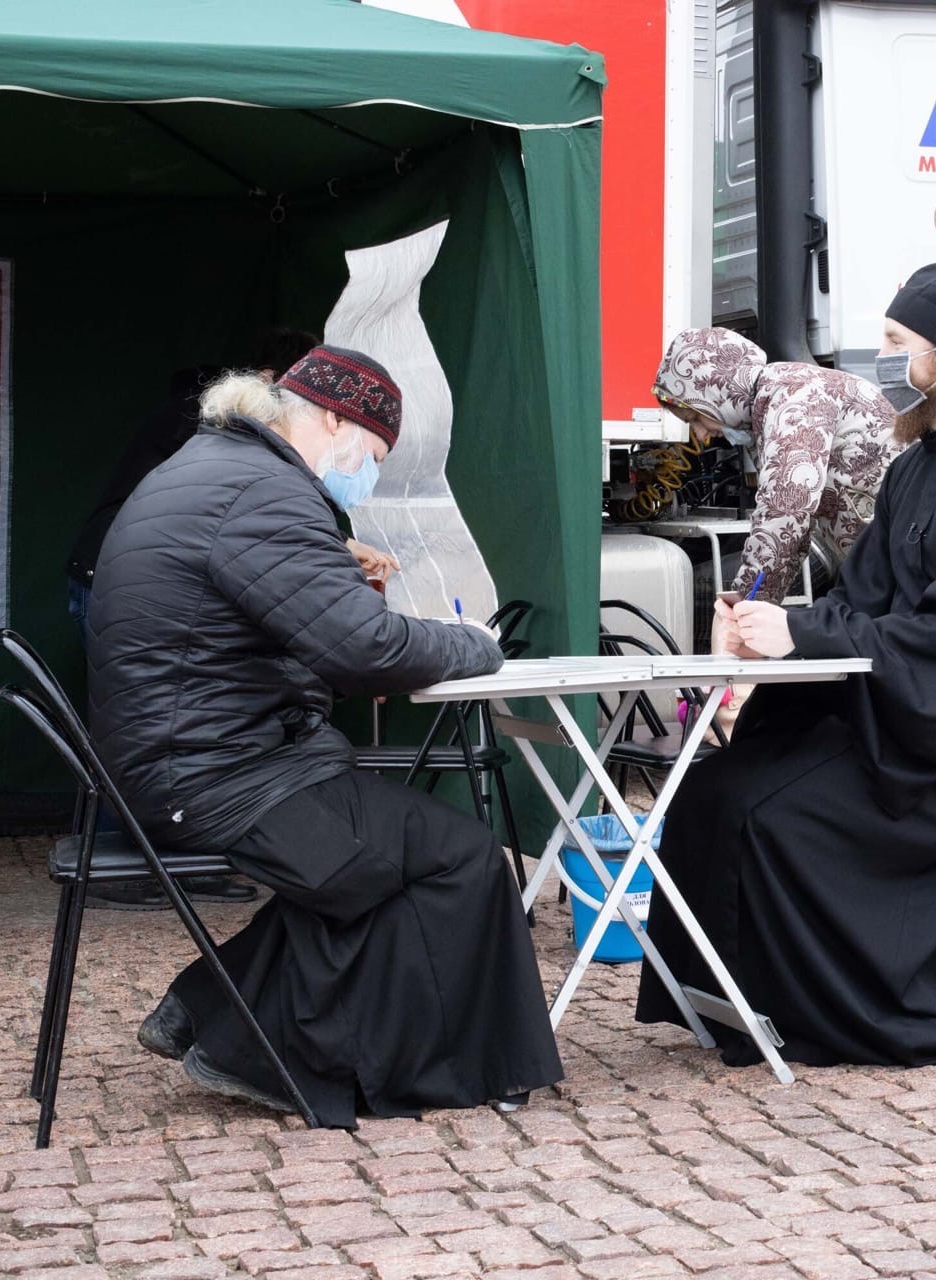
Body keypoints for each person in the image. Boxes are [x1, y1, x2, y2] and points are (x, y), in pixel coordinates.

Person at [87, 345, 561, 1125]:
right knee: (461, 859)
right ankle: (273, 1050)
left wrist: (334, 568)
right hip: (217, 772)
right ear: (336, 418)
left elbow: (251, 599)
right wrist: (474, 641)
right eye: (372, 456)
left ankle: (210, 1006)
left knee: (387, 859)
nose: (365, 477)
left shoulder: (217, 468)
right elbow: (364, 651)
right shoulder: (265, 493)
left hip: (188, 754)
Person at [635, 265, 936, 1067]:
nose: (884, 355)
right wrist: (786, 624)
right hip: (895, 707)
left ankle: (806, 1012)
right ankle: (734, 1005)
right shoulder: (913, 467)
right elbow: (862, 598)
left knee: (771, 815)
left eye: (899, 342)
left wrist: (805, 639)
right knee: (709, 789)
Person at [66, 328, 396, 911]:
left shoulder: (224, 439)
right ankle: (143, 863)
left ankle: (176, 863)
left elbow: (230, 532)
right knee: (151, 703)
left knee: (150, 705)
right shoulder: (216, 434)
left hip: (117, 570)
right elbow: (227, 527)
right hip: (113, 577)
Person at [652, 328, 901, 599]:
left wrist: (747, 603)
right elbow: (791, 528)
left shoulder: (792, 398)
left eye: (695, 418)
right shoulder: (771, 402)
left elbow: (785, 512)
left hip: (903, 561)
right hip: (891, 561)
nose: (700, 435)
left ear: (715, 391)